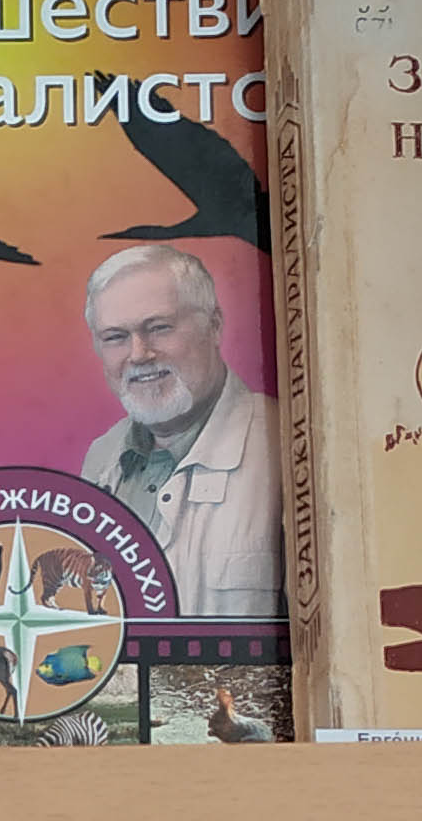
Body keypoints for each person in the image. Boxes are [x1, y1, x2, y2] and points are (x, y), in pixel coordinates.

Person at [78, 246, 280, 618]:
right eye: (116, 337)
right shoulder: (101, 458)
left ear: (214, 326)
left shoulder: (285, 445)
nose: (139, 354)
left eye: (159, 328)